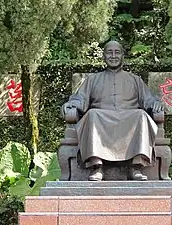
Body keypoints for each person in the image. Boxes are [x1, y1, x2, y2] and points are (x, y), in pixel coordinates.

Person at [61, 41, 165, 181]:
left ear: (123, 56)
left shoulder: (135, 80)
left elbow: (149, 99)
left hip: (129, 118)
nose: (113, 56)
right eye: (109, 52)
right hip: (101, 118)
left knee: (141, 115)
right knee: (92, 114)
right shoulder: (93, 79)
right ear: (104, 56)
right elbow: (80, 99)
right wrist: (72, 104)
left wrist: (156, 104)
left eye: (117, 52)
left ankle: (136, 167)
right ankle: (96, 167)